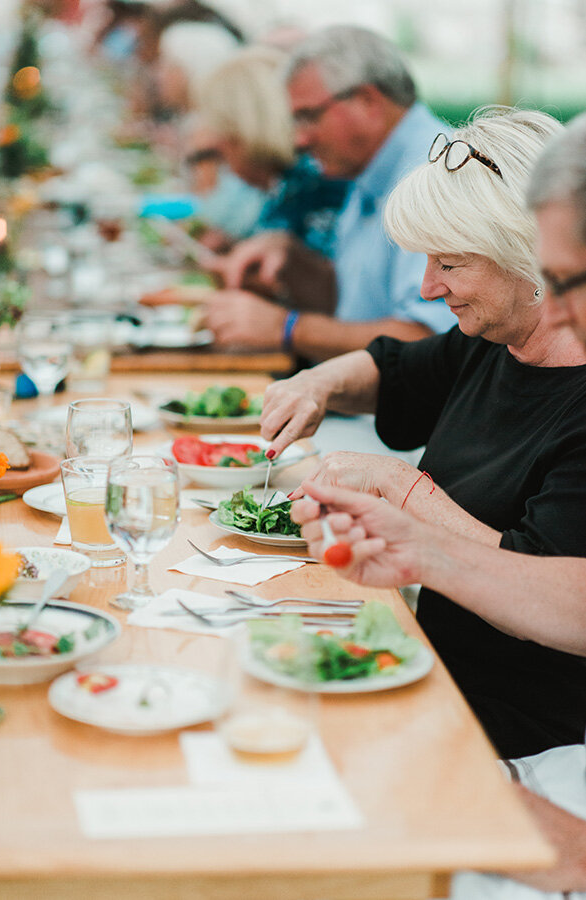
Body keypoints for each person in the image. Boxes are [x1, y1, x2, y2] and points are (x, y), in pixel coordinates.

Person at [292, 112, 586, 899]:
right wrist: (317, 380)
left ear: (534, 260)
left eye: (449, 263)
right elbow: (394, 366)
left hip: (523, 739)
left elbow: (555, 595)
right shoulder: (494, 339)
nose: (425, 287)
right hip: (432, 685)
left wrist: (408, 498)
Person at [201, 25, 455, 358]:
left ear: (368, 101)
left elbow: (430, 341)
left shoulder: (434, 174)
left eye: (307, 116)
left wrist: (286, 327)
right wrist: (292, 263)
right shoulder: (368, 168)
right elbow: (357, 308)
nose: (298, 140)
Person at [198, 45, 349, 260]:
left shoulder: (315, 184)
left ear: (240, 133)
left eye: (222, 138)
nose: (220, 148)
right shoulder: (290, 181)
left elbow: (318, 284)